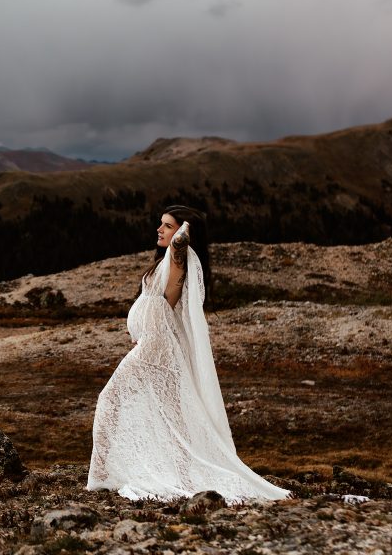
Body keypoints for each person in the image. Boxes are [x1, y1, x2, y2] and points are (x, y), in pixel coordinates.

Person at [86, 205, 289, 501]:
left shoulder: (179, 258)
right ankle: (173, 470)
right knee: (172, 413)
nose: (160, 229)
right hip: (154, 344)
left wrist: (186, 229)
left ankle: (104, 474)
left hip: (156, 348)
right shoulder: (166, 261)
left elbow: (181, 243)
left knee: (111, 399)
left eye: (167, 225)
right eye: (161, 224)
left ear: (181, 231)